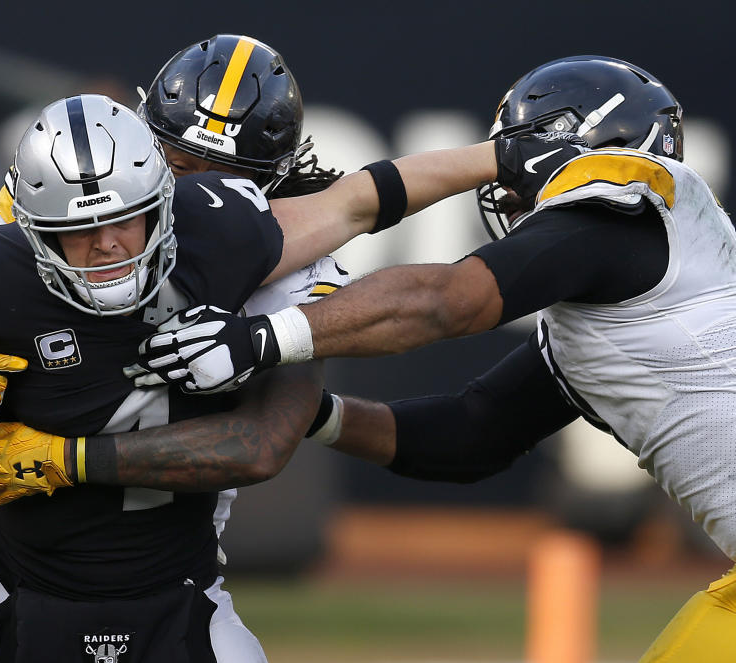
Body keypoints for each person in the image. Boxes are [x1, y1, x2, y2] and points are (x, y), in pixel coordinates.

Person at [0, 34, 513, 663]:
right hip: (1, 517)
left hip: (160, 554)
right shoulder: (78, 207)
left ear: (261, 185)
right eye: (172, 163)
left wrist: (506, 155)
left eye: (217, 175)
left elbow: (262, 440)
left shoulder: (243, 239)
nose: (188, 189)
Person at [129, 54, 736, 660]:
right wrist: (317, 412)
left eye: (525, 160)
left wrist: (256, 339)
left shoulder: (630, 204)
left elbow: (445, 300)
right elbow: (471, 434)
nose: (508, 185)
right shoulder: (630, 294)